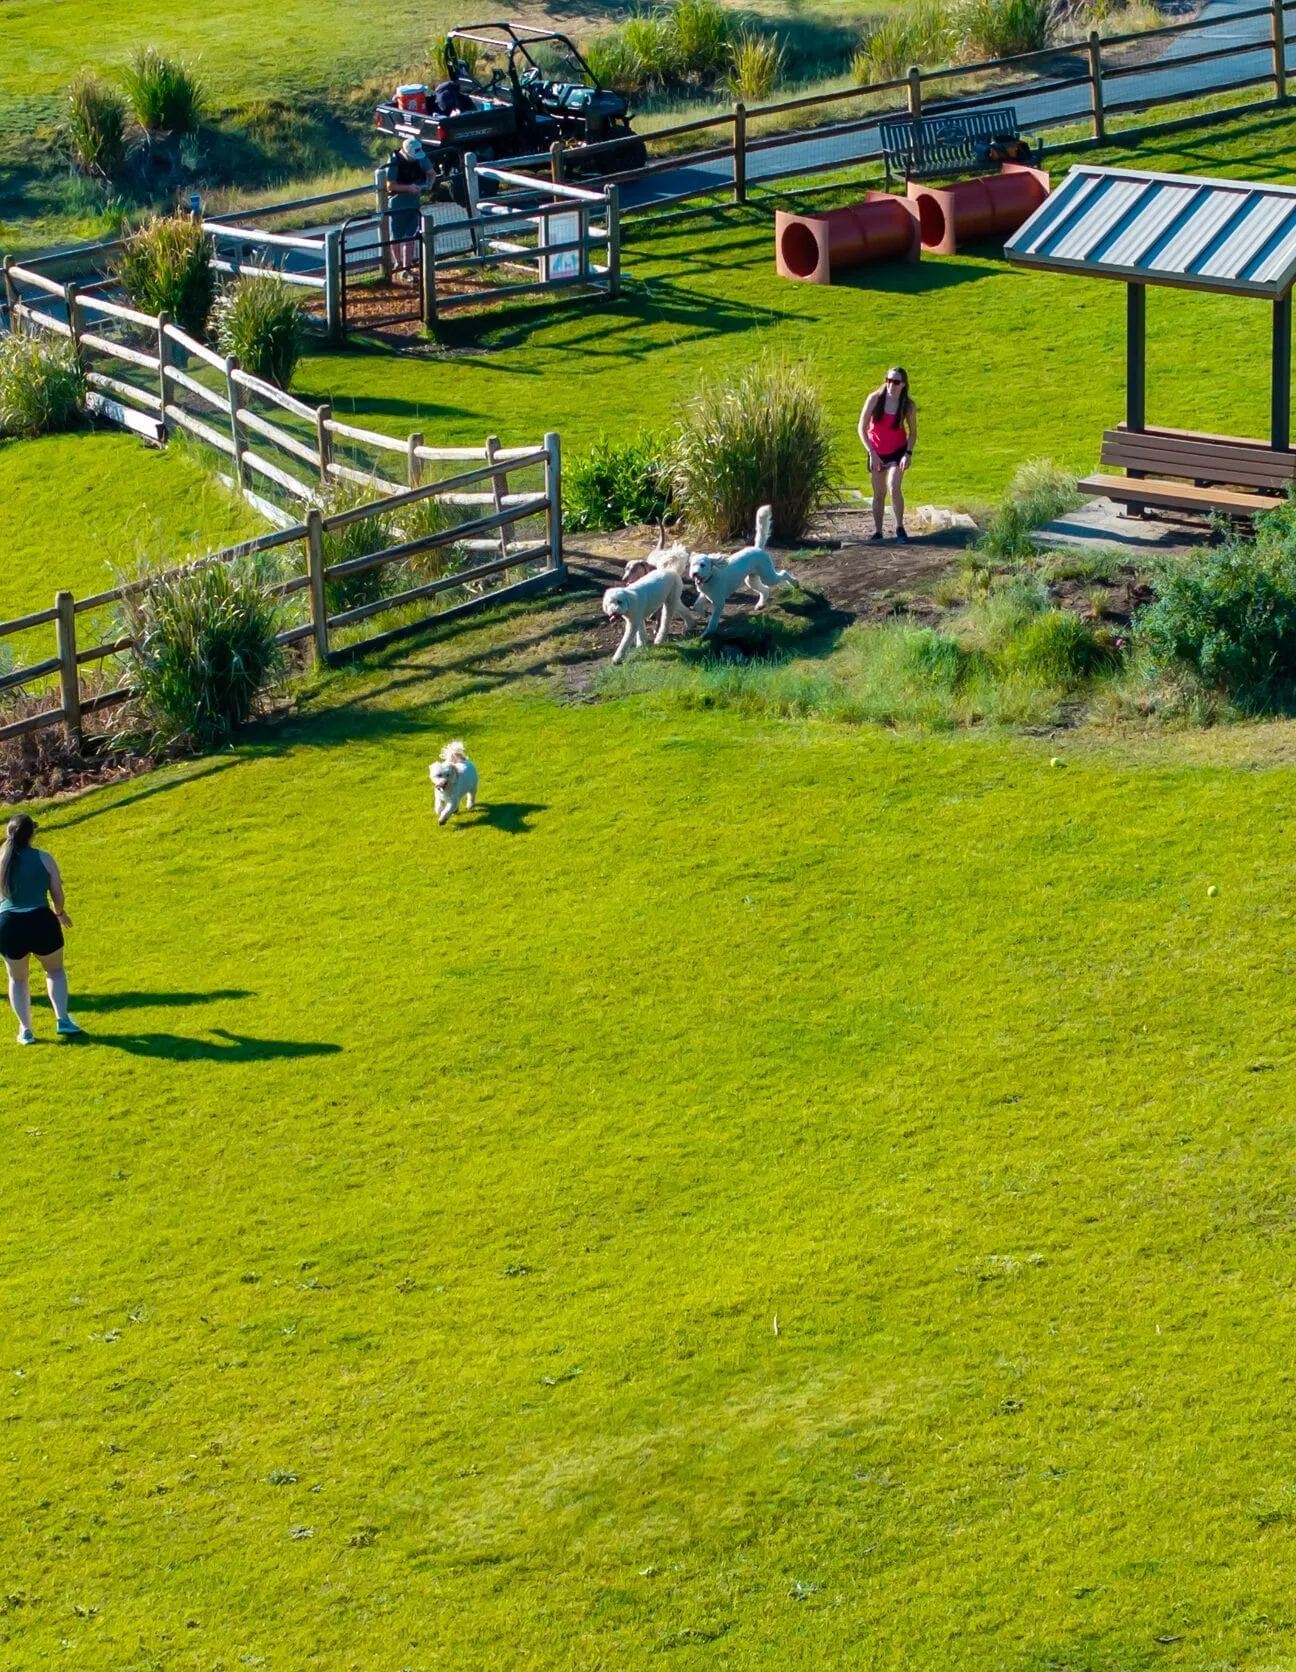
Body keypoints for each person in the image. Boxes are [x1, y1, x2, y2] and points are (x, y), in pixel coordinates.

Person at [0, 814, 81, 1044]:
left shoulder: (0, 859)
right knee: (55, 972)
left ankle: (26, 1030)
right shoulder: (44, 858)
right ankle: (63, 1019)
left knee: (17, 979)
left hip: (8, 925)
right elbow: (57, 894)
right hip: (41, 922)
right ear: (32, 835)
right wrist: (59, 912)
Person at [859, 367, 918, 542]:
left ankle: (899, 527)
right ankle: (878, 531)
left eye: (896, 382)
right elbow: (861, 428)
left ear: (903, 385)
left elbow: (913, 432)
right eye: (888, 380)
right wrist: (872, 453)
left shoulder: (907, 405)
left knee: (893, 486)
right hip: (876, 451)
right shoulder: (875, 399)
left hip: (897, 451)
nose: (891, 385)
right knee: (879, 493)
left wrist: (908, 453)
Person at [386, 136, 429, 280]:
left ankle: (407, 267)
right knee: (396, 236)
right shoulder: (394, 162)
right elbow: (390, 185)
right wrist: (408, 188)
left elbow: (431, 173)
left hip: (414, 202)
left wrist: (428, 184)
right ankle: (398, 264)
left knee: (410, 236)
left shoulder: (420, 157)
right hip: (397, 203)